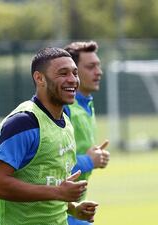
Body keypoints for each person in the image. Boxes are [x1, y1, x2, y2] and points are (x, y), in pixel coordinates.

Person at [0, 47, 98, 225]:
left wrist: (72, 208)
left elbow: (49, 181)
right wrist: (59, 192)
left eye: (74, 73)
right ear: (39, 78)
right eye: (63, 73)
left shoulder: (65, 122)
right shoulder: (23, 123)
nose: (72, 80)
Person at [64, 41, 110, 225]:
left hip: (76, 206)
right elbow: (48, 165)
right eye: (91, 67)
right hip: (56, 206)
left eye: (98, 66)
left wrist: (95, 157)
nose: (98, 72)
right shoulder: (65, 108)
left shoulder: (86, 103)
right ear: (73, 72)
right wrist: (89, 161)